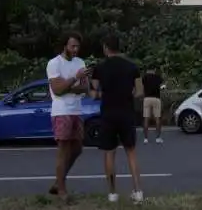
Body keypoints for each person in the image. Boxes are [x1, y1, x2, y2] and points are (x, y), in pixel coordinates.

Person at [90, 33, 144, 204]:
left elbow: (93, 94)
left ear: (106, 48)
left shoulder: (99, 68)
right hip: (126, 112)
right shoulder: (132, 66)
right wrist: (128, 94)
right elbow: (140, 92)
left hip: (108, 113)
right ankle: (138, 191)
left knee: (109, 153)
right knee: (131, 152)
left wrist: (97, 91)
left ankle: (112, 194)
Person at [46, 32, 90, 200]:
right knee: (63, 150)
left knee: (78, 148)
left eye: (78, 46)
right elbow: (57, 90)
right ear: (65, 46)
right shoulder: (54, 63)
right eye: (72, 46)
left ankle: (58, 182)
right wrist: (74, 79)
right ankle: (62, 191)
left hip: (77, 110)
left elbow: (85, 88)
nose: (76, 49)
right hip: (61, 110)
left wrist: (68, 87)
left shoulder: (80, 62)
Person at [141, 68, 164, 144]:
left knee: (146, 118)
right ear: (154, 70)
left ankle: (146, 138)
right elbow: (161, 84)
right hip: (156, 98)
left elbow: (142, 87)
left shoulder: (144, 77)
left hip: (147, 98)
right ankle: (157, 138)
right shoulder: (158, 77)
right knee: (157, 118)